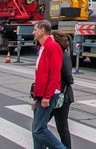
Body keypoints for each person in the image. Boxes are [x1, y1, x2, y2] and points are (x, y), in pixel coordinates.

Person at [31, 20, 66, 149]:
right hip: (41, 93)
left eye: (35, 30)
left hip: (49, 94)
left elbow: (54, 74)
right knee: (37, 129)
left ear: (42, 30)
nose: (33, 32)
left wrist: (47, 96)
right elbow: (40, 74)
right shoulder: (43, 47)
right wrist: (36, 97)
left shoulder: (53, 47)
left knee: (38, 129)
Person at [50, 31, 74, 149]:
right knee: (40, 126)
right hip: (56, 95)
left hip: (62, 96)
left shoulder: (62, 54)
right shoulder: (58, 52)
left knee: (61, 127)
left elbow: (68, 76)